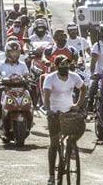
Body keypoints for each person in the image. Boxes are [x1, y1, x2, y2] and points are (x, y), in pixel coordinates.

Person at [43, 55, 86, 185]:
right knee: (54, 143)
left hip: (69, 111)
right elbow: (46, 95)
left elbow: (84, 89)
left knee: (81, 126)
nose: (65, 67)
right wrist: (48, 109)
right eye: (62, 65)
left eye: (67, 64)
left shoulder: (74, 76)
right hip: (55, 113)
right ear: (56, 66)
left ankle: (71, 145)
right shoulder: (50, 78)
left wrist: (77, 105)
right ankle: (51, 175)